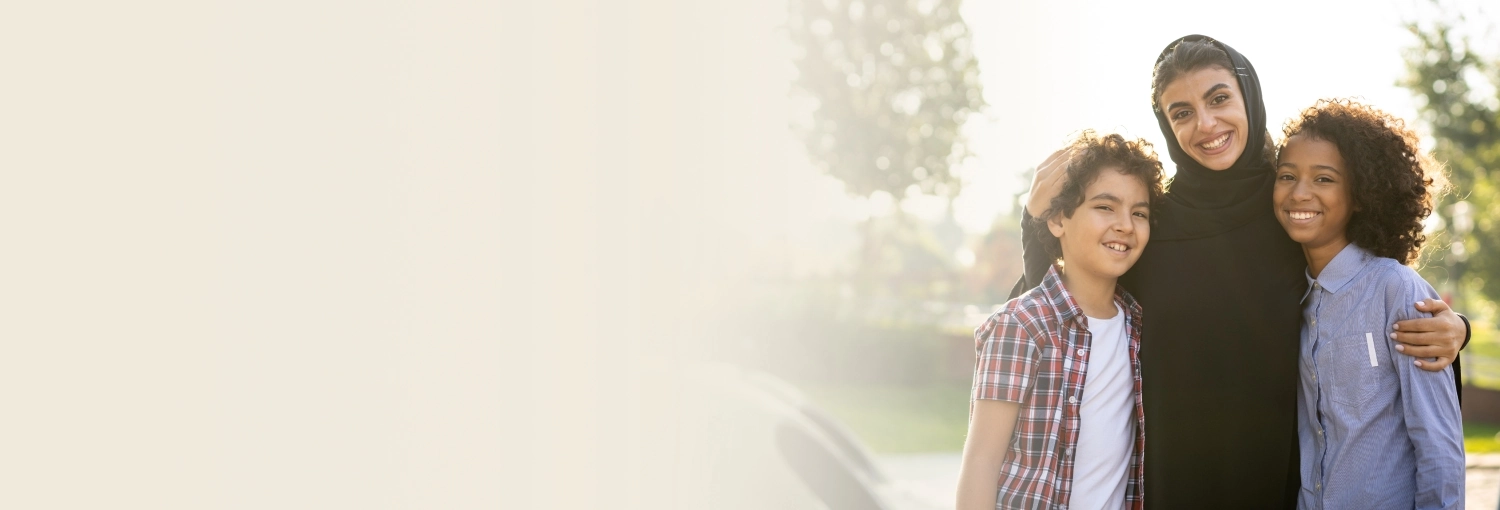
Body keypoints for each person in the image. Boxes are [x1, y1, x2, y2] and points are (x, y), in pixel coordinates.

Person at [1011, 35, 1471, 508]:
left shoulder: (1294, 207)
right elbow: (1055, 316)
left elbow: (1369, 292)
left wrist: (1456, 328)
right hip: (1169, 485)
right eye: (1182, 112)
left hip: (1282, 486)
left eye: (1219, 98)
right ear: (1167, 127)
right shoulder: (1150, 225)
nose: (1206, 124)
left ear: (1248, 98)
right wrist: (1034, 222)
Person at [957, 130, 1164, 510]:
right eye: (1105, 207)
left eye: (1139, 213)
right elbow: (980, 464)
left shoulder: (1138, 326)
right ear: (1057, 220)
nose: (1125, 225)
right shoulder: (1021, 325)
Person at [1274, 99, 1463, 509]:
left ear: (1360, 195)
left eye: (1323, 179)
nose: (1299, 192)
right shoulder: (1292, 302)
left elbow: (1439, 447)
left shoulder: (1396, 290)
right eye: (1287, 176)